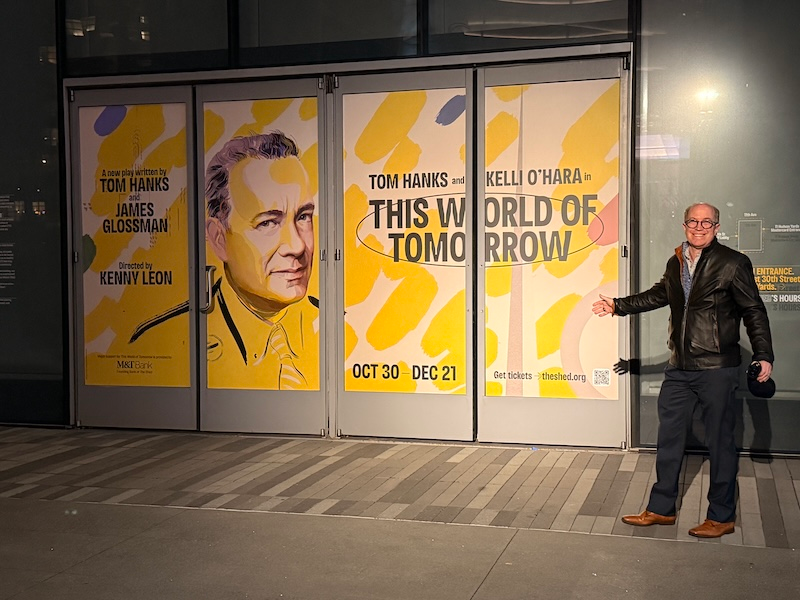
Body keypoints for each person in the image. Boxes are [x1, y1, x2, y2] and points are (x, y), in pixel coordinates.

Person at [592, 202, 773, 538]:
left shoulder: (733, 263)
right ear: (684, 224)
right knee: (669, 439)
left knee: (720, 444)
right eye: (693, 221)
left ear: (717, 227)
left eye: (706, 222)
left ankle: (721, 516)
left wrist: (763, 353)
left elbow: (754, 311)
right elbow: (658, 295)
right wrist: (618, 306)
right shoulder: (676, 261)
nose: (699, 227)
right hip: (679, 369)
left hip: (717, 368)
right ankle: (661, 509)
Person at [204, 131, 319, 390]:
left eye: (303, 217)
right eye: (268, 223)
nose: (297, 246)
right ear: (219, 239)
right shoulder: (177, 337)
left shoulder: (338, 329)